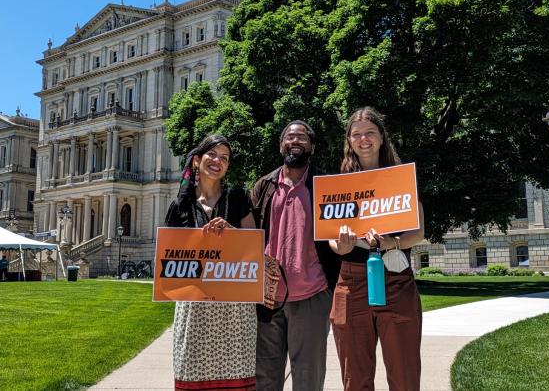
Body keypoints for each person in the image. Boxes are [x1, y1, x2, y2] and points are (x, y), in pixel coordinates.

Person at [329, 107, 425, 391]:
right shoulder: (338, 186)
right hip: (352, 282)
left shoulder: (401, 179)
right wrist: (341, 246)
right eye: (356, 134)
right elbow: (331, 239)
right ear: (349, 141)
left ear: (382, 137)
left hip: (396, 278)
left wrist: (390, 243)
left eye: (370, 132)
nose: (364, 139)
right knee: (355, 378)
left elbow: (417, 232)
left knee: (404, 375)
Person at [251, 120, 340, 390]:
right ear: (281, 146)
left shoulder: (327, 187)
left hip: (313, 294)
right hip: (267, 299)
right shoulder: (263, 187)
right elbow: (247, 237)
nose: (296, 141)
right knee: (265, 378)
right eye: (290, 137)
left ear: (311, 146)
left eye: (302, 137)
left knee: (308, 379)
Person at [165, 134, 258, 391]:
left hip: (235, 311)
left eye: (224, 158)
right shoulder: (180, 206)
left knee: (236, 380)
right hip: (194, 311)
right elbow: (168, 263)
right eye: (212, 155)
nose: (218, 161)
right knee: (192, 375)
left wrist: (232, 234)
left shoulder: (238, 198)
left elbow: (255, 250)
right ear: (197, 160)